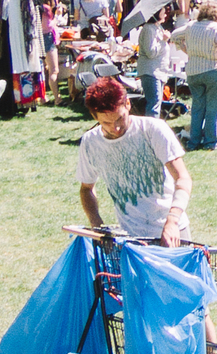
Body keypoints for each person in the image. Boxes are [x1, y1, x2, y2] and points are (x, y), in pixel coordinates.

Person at [76, 77, 193, 246]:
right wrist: (97, 225)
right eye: (106, 123)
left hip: (172, 233)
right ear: (94, 116)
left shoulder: (153, 130)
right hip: (130, 240)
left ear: (128, 104)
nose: (115, 128)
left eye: (119, 119)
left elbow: (183, 178)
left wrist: (173, 221)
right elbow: (86, 189)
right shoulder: (90, 142)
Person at [176, 2, 217, 151]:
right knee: (214, 109)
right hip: (212, 70)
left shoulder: (191, 26)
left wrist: (186, 50)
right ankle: (211, 141)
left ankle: (193, 141)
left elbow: (174, 35)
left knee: (197, 108)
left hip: (194, 71)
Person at [136, 3, 174, 118]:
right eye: (163, 11)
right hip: (151, 72)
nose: (165, 13)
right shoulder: (148, 29)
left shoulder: (157, 28)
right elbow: (150, 52)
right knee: (154, 103)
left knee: (157, 102)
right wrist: (163, 41)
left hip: (159, 71)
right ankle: (150, 131)